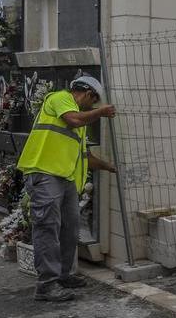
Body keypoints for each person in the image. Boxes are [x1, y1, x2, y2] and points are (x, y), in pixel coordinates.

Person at [17, 75, 117, 301]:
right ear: (87, 94)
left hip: (65, 179)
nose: (92, 107)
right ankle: (46, 285)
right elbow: (73, 119)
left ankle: (63, 276)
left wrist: (111, 168)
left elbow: (87, 158)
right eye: (93, 102)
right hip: (44, 173)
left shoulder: (80, 125)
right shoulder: (60, 98)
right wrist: (100, 113)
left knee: (70, 229)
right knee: (47, 227)